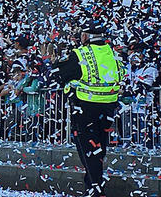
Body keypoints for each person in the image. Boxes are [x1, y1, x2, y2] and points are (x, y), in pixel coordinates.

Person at [53, 20, 124, 197]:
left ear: (85, 36)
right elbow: (121, 75)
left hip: (86, 107)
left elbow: (60, 75)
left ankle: (95, 187)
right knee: (100, 147)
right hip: (108, 108)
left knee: (87, 147)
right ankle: (92, 185)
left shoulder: (80, 53)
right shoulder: (112, 53)